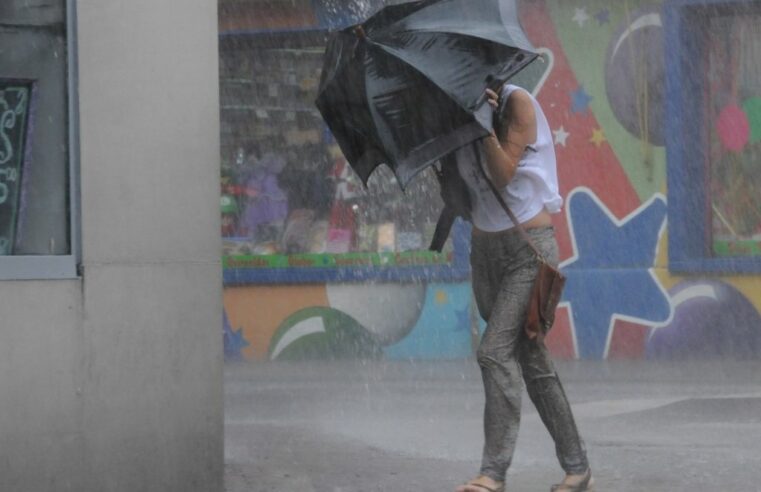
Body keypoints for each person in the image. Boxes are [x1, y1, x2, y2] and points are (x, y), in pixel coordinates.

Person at [454, 84, 593, 492]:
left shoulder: (517, 102)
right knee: (531, 360)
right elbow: (463, 194)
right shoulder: (450, 106)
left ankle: (492, 473)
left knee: (494, 353)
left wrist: (482, 122)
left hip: (527, 252)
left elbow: (503, 172)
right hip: (485, 253)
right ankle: (578, 466)